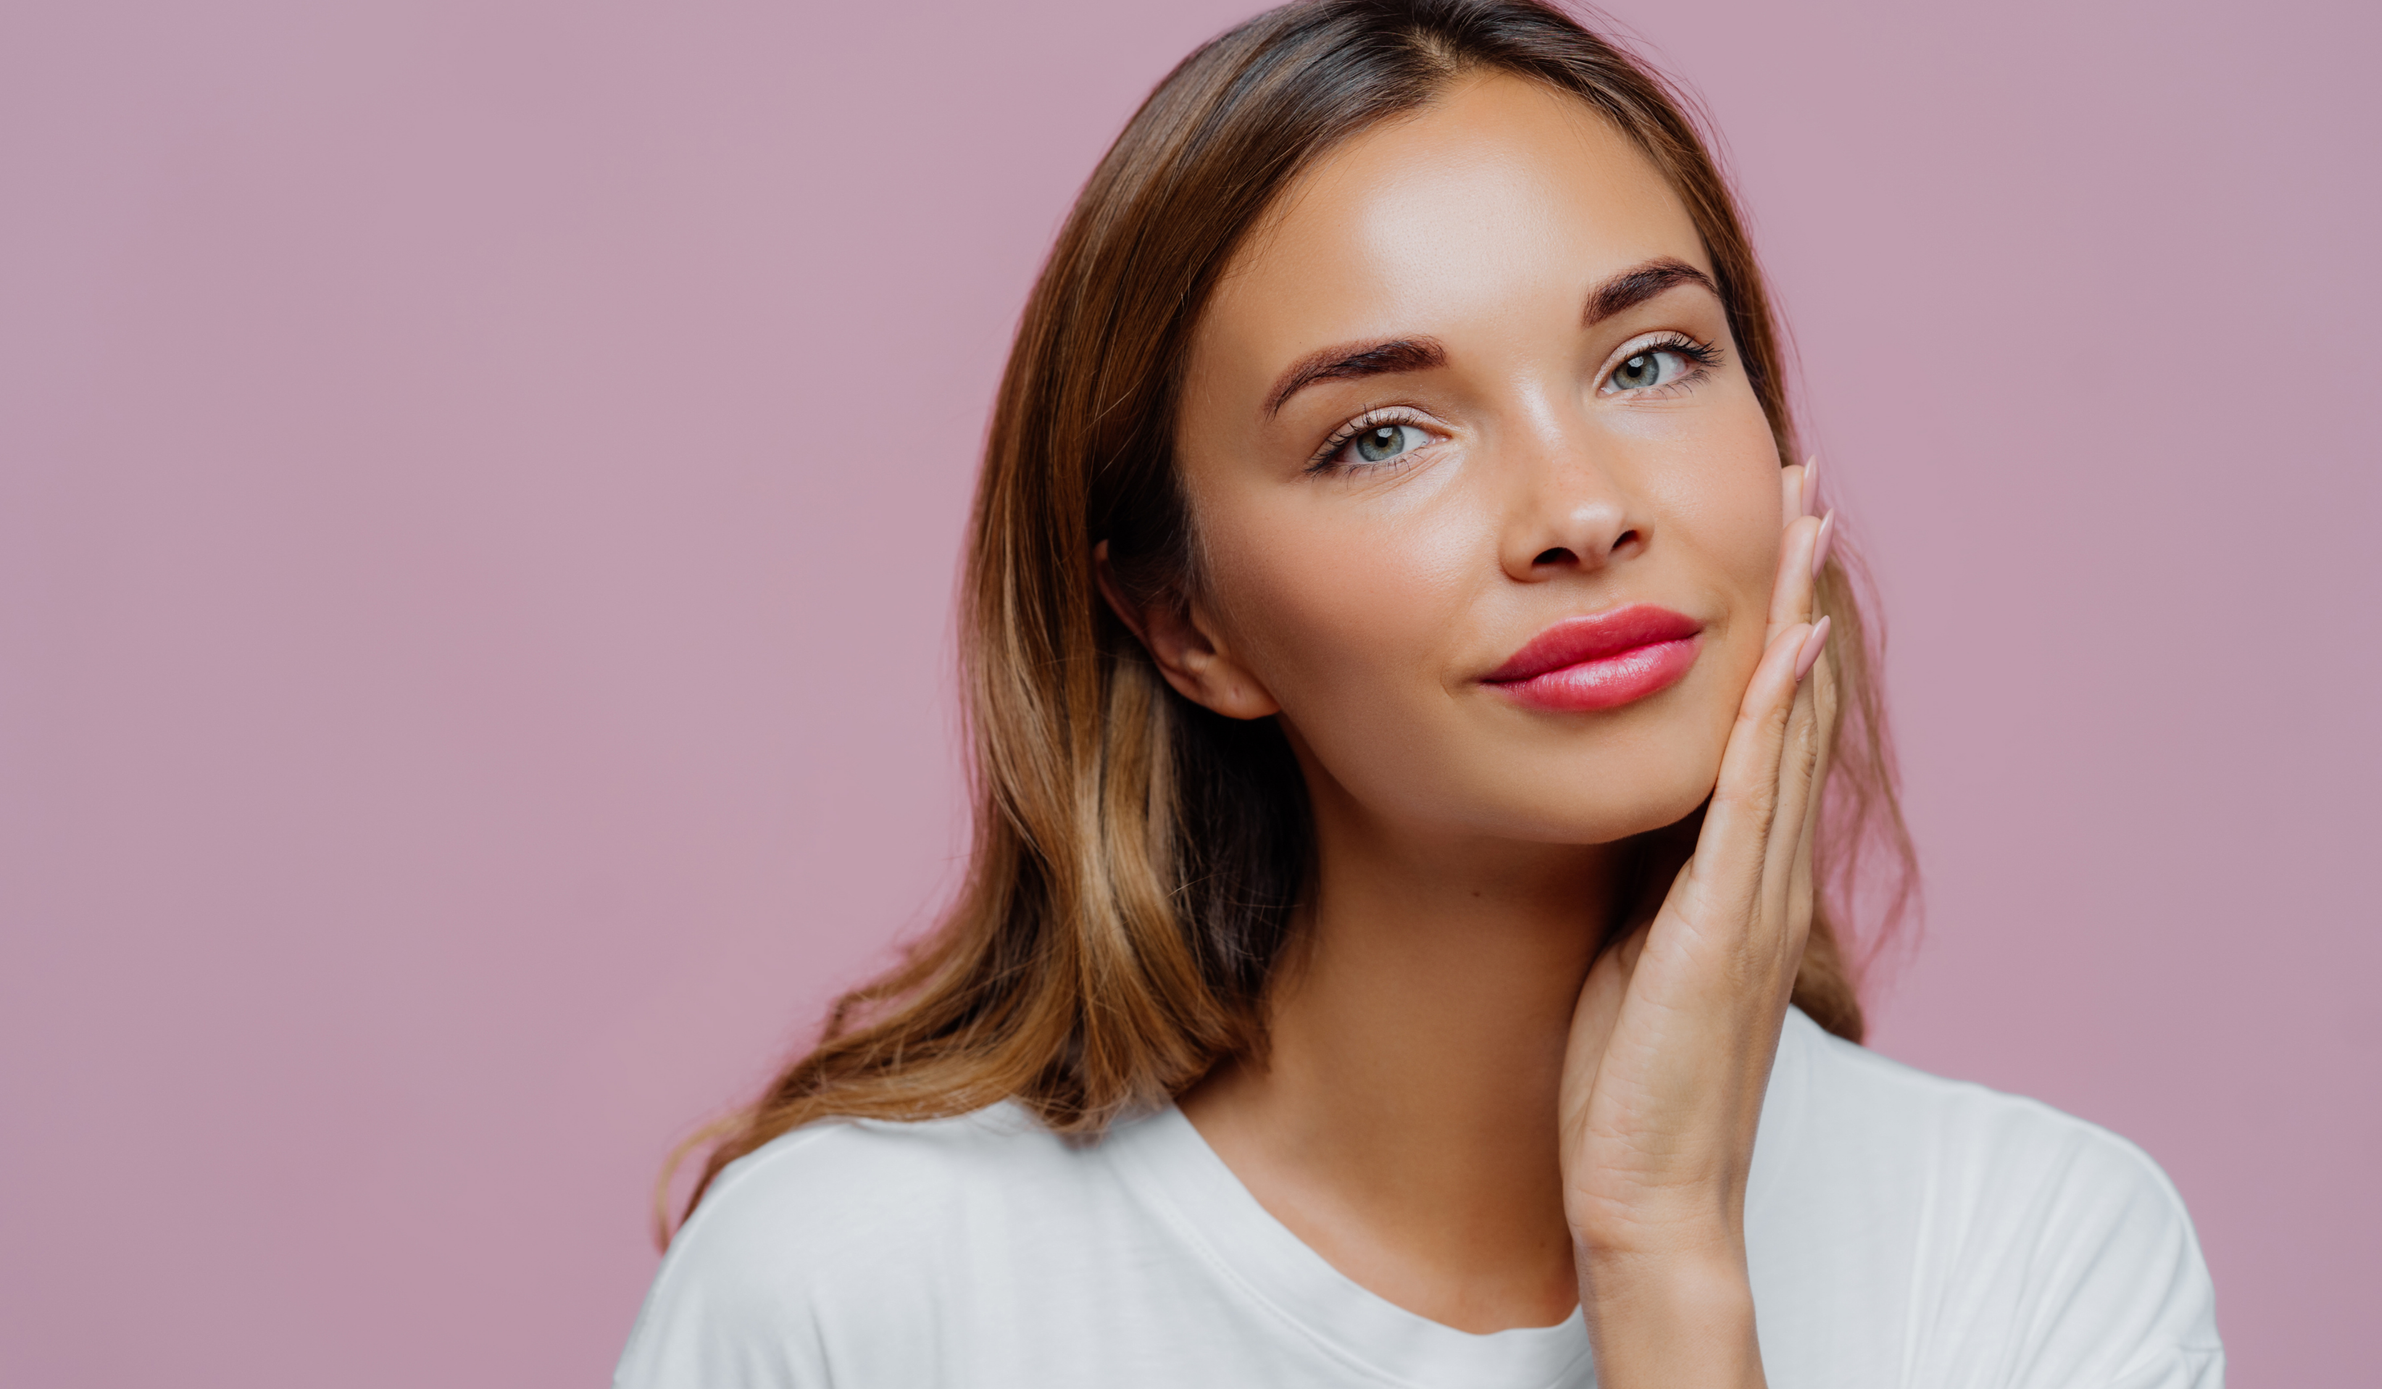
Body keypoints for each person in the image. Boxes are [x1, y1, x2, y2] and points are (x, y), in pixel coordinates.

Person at [614, 2, 2221, 1385]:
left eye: (1651, 361)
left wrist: (1667, 1266)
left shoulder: (2030, 1254)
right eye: (1381, 433)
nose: (1583, 510)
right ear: (1186, 625)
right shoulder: (858, 1289)